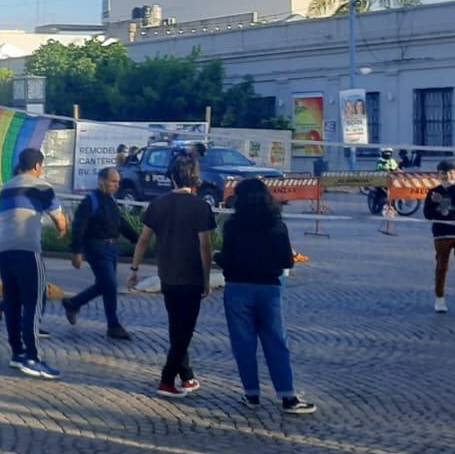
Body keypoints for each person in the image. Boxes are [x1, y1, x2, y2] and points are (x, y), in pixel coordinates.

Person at [216, 179, 316, 414]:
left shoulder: (232, 226)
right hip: (269, 288)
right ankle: (287, 396)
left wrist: (219, 257)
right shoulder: (277, 225)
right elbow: (287, 261)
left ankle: (251, 394)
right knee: (276, 342)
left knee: (244, 344)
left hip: (238, 288)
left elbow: (227, 259)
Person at [129, 153, 216, 397]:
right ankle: (167, 379)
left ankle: (187, 375)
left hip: (167, 274)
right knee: (185, 330)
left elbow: (144, 239)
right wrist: (207, 279)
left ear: (171, 177)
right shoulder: (201, 207)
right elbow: (205, 246)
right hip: (192, 276)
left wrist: (134, 269)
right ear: (195, 177)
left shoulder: (158, 204)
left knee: (176, 326)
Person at [0, 147, 68, 379]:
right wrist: (64, 230)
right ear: (36, 166)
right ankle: (32, 357)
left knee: (12, 302)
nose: (42, 171)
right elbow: (59, 219)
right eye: (42, 166)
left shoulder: (6, 188)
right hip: (28, 249)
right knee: (33, 301)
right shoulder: (42, 186)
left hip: (3, 249)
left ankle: (17, 353)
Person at [62, 166, 138, 340]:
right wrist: (77, 251)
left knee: (104, 285)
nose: (117, 185)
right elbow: (79, 227)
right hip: (96, 248)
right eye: (113, 181)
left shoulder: (111, 201)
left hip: (112, 249)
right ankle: (113, 325)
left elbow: (120, 223)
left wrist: (138, 239)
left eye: (118, 182)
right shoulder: (91, 201)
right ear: (102, 181)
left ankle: (73, 303)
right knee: (110, 285)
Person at [424, 161, 455, 315]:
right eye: (444, 173)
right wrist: (433, 203)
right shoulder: (433, 192)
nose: (447, 176)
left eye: (451, 173)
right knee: (442, 267)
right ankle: (440, 299)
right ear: (438, 175)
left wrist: (446, 199)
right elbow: (428, 214)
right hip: (442, 234)